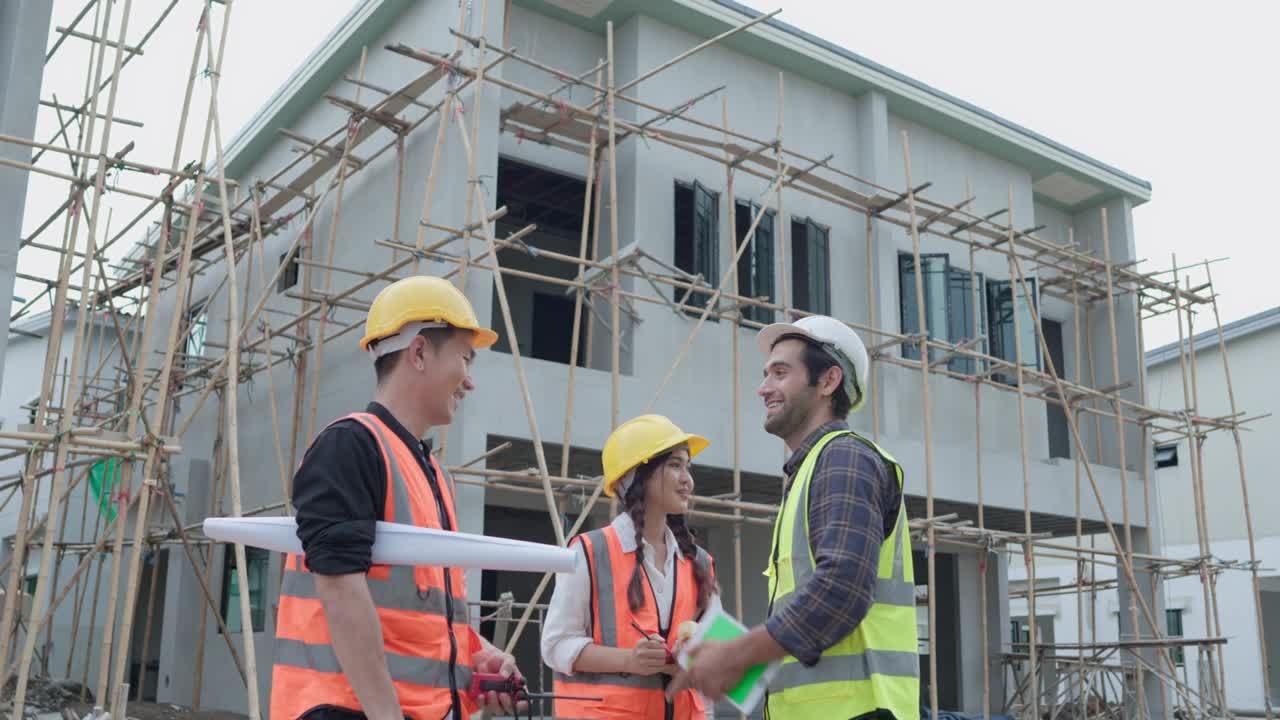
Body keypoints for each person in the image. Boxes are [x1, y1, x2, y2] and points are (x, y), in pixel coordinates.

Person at [270, 276, 528, 720]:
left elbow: (420, 616)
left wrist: (477, 654)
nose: (470, 382)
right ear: (421, 352)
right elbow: (339, 588)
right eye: (466, 360)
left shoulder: (432, 474)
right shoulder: (351, 445)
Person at [668, 315, 919, 720]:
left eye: (780, 373)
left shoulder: (844, 458)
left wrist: (738, 653)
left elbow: (842, 589)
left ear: (828, 381)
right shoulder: (810, 473)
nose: (763, 387)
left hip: (857, 712)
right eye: (766, 374)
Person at [542, 414, 721, 720]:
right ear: (639, 476)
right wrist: (629, 660)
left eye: (687, 467)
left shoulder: (699, 562)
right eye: (675, 465)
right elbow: (556, 645)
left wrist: (693, 657)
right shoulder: (590, 551)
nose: (687, 479)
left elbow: (718, 654)